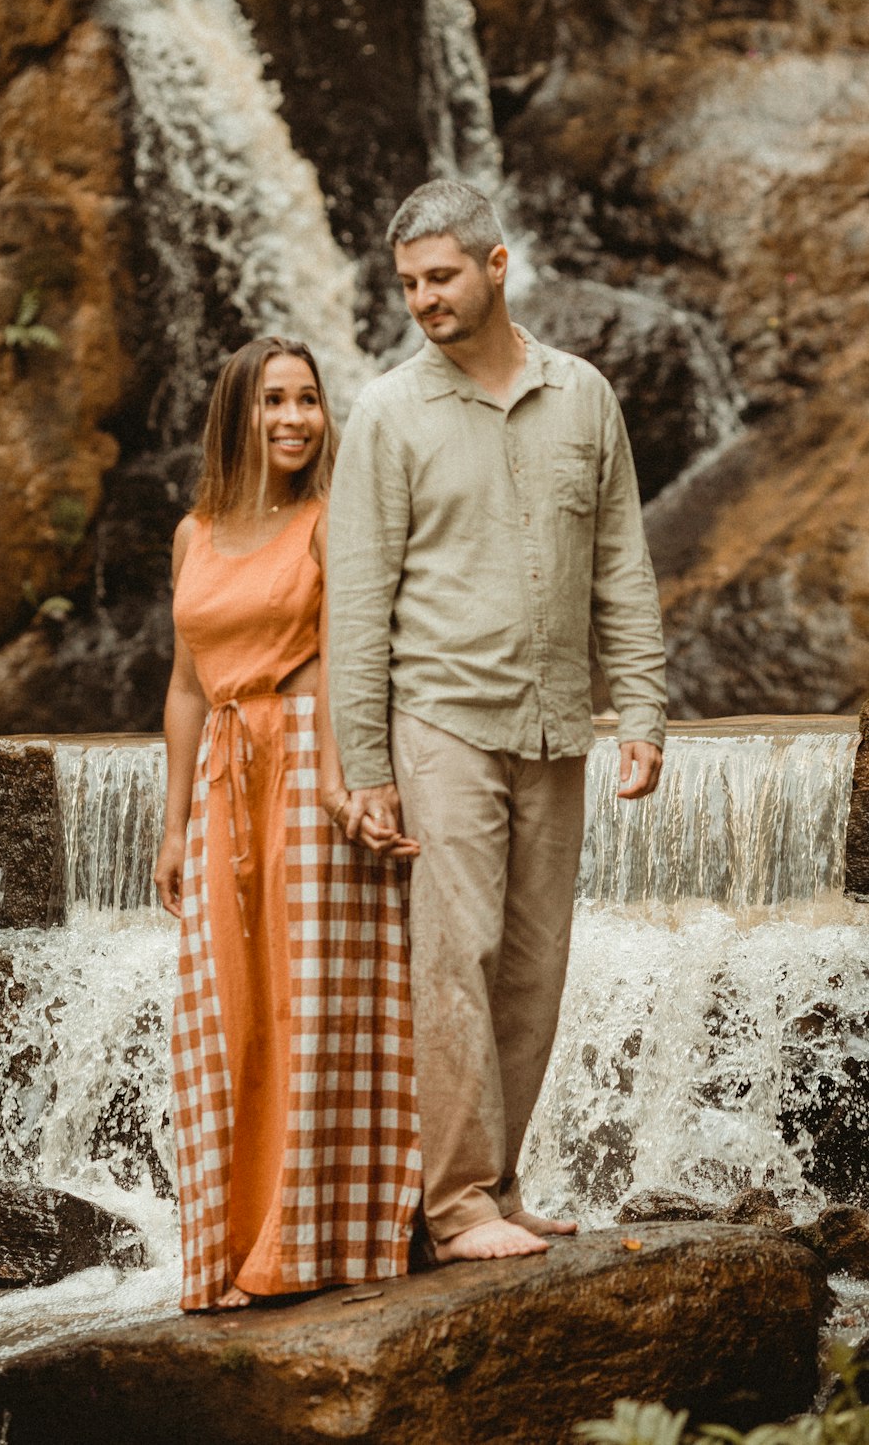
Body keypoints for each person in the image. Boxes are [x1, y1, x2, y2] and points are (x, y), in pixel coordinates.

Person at [327, 179, 667, 1265]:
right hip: (443, 719)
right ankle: (457, 1202)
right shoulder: (387, 413)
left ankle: (503, 1181)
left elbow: (621, 562)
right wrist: (365, 765)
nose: (423, 298)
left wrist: (644, 709)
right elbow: (356, 599)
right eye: (409, 284)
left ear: (496, 264)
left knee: (533, 961)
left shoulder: (583, 396)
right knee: (457, 955)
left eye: (440, 276)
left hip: (556, 721)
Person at [155, 336, 421, 1312]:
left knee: (312, 1003)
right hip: (227, 772)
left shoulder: (327, 522)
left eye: (308, 400)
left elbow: (351, 656)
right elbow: (185, 686)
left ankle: (309, 1240)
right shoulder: (194, 533)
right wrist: (174, 824)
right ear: (238, 413)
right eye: (274, 401)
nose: (296, 419)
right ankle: (226, 1247)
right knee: (229, 1006)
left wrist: (355, 785)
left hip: (309, 760)